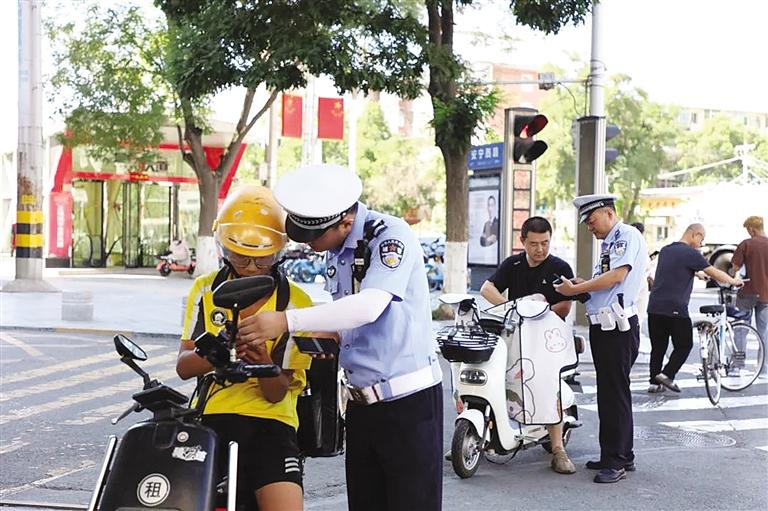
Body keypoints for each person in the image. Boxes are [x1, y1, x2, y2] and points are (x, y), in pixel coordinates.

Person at [236, 164, 443, 511]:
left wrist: (288, 320)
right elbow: (350, 314)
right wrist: (332, 331)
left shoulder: (389, 236)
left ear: (346, 222)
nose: (314, 248)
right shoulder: (338, 249)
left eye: (315, 238)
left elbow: (370, 305)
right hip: (361, 406)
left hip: (408, 404)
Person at [177, 185, 313, 511]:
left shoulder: (298, 303)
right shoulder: (205, 289)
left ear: (278, 252)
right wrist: (219, 351)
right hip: (212, 417)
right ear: (224, 247)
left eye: (261, 259)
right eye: (240, 256)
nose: (250, 266)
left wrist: (263, 359)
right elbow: (183, 367)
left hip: (272, 423)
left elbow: (277, 393)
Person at [553, 194, 648, 484]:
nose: (590, 228)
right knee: (612, 392)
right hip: (606, 326)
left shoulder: (625, 236)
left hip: (617, 327)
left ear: (608, 213)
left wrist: (573, 292)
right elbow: (603, 284)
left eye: (592, 221)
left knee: (614, 393)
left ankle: (615, 461)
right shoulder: (610, 243)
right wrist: (581, 285)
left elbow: (616, 278)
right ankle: (620, 454)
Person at [479, 216, 576, 475]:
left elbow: (565, 306)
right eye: (534, 244)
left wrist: (535, 313)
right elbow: (486, 289)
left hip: (548, 337)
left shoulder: (560, 267)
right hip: (515, 334)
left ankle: (558, 450)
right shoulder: (513, 264)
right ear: (523, 241)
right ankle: (480, 437)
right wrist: (510, 310)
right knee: (496, 375)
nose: (540, 249)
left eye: (545, 243)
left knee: (546, 384)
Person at [646, 223, 743, 393]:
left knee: (658, 346)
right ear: (695, 234)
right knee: (684, 344)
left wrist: (697, 273)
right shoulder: (690, 253)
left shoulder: (667, 250)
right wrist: (734, 281)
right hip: (675, 307)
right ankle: (667, 374)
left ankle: (654, 382)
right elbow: (715, 272)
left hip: (654, 306)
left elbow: (675, 268)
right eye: (701, 239)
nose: (701, 243)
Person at [731, 215, 768, 376]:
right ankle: (764, 367)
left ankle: (738, 367)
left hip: (747, 294)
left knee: (740, 330)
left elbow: (735, 268)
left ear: (752, 229)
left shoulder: (746, 244)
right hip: (767, 295)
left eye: (748, 229)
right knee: (764, 332)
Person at [630, 222, 652, 356]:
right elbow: (646, 265)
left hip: (634, 286)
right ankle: (634, 347)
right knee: (638, 318)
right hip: (639, 286)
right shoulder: (640, 244)